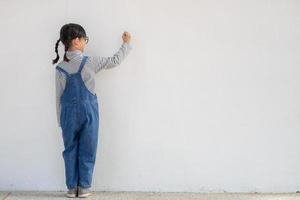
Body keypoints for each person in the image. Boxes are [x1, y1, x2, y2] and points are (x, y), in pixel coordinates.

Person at [52, 23, 132, 198]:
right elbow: (115, 61)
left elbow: (58, 97)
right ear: (76, 40)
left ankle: (72, 188)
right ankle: (84, 187)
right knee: (88, 148)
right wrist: (126, 44)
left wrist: (60, 119)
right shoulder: (90, 62)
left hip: (67, 114)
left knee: (70, 149)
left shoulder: (59, 68)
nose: (85, 42)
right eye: (84, 39)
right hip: (89, 112)